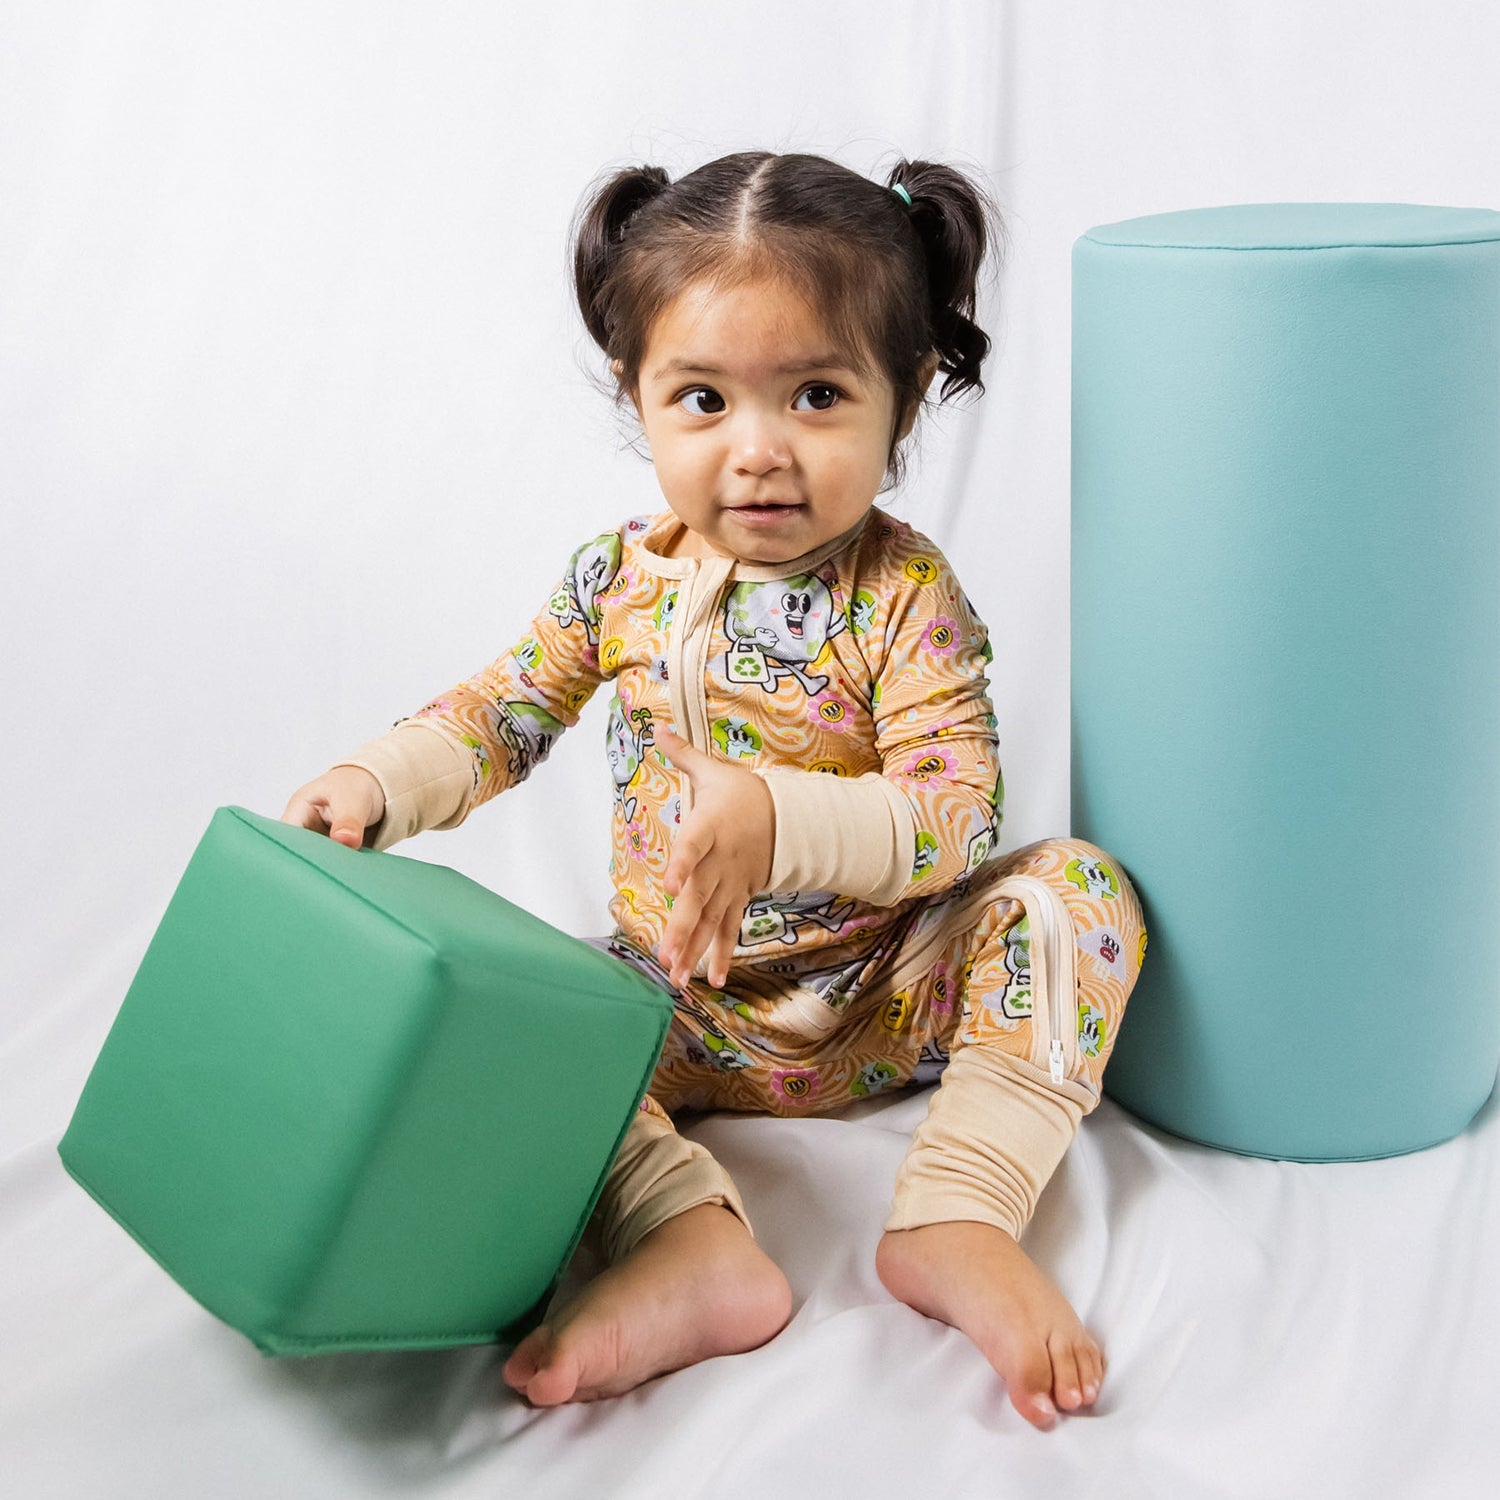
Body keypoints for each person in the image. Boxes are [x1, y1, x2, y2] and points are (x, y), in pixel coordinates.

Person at [280, 150, 1145, 1431]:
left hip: (887, 991)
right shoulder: (615, 584)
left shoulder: (904, 599)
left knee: (1081, 894)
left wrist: (777, 820)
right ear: (634, 393)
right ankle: (684, 1235)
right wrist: (376, 784)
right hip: (677, 996)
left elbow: (956, 814)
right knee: (517, 1026)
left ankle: (960, 1214)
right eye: (703, 399)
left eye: (816, 395)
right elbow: (503, 712)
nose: (759, 452)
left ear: (905, 396)